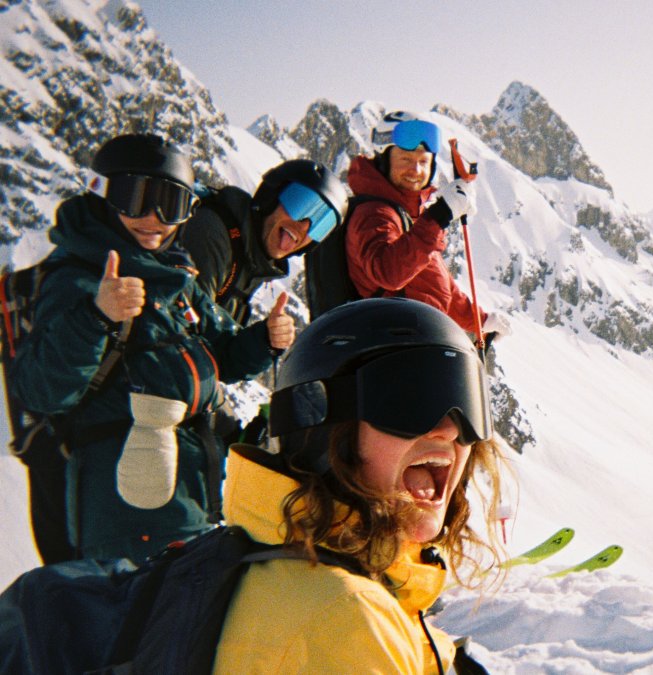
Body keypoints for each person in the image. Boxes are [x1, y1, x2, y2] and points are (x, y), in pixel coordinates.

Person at [12, 133, 294, 562]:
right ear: (102, 193)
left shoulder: (176, 278)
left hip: (191, 492)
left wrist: (265, 339)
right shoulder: (78, 277)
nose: (155, 218)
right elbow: (43, 389)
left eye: (172, 204)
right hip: (124, 512)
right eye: (135, 198)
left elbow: (224, 355)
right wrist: (97, 317)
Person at [214, 298, 506, 673]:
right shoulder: (346, 619)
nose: (450, 429)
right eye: (409, 402)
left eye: (466, 402)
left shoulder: (271, 559)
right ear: (319, 430)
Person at [345, 110, 511, 340]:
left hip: (418, 345)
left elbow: (436, 289)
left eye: (423, 162)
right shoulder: (375, 213)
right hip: (392, 350)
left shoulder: (410, 220)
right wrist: (439, 215)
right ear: (383, 159)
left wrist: (481, 321)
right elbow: (388, 272)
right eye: (405, 159)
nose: (416, 171)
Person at [180, 159, 348, 326]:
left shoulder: (251, 264)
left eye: (321, 225)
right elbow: (188, 330)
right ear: (270, 197)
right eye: (300, 205)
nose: (304, 226)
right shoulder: (211, 233)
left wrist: (266, 343)